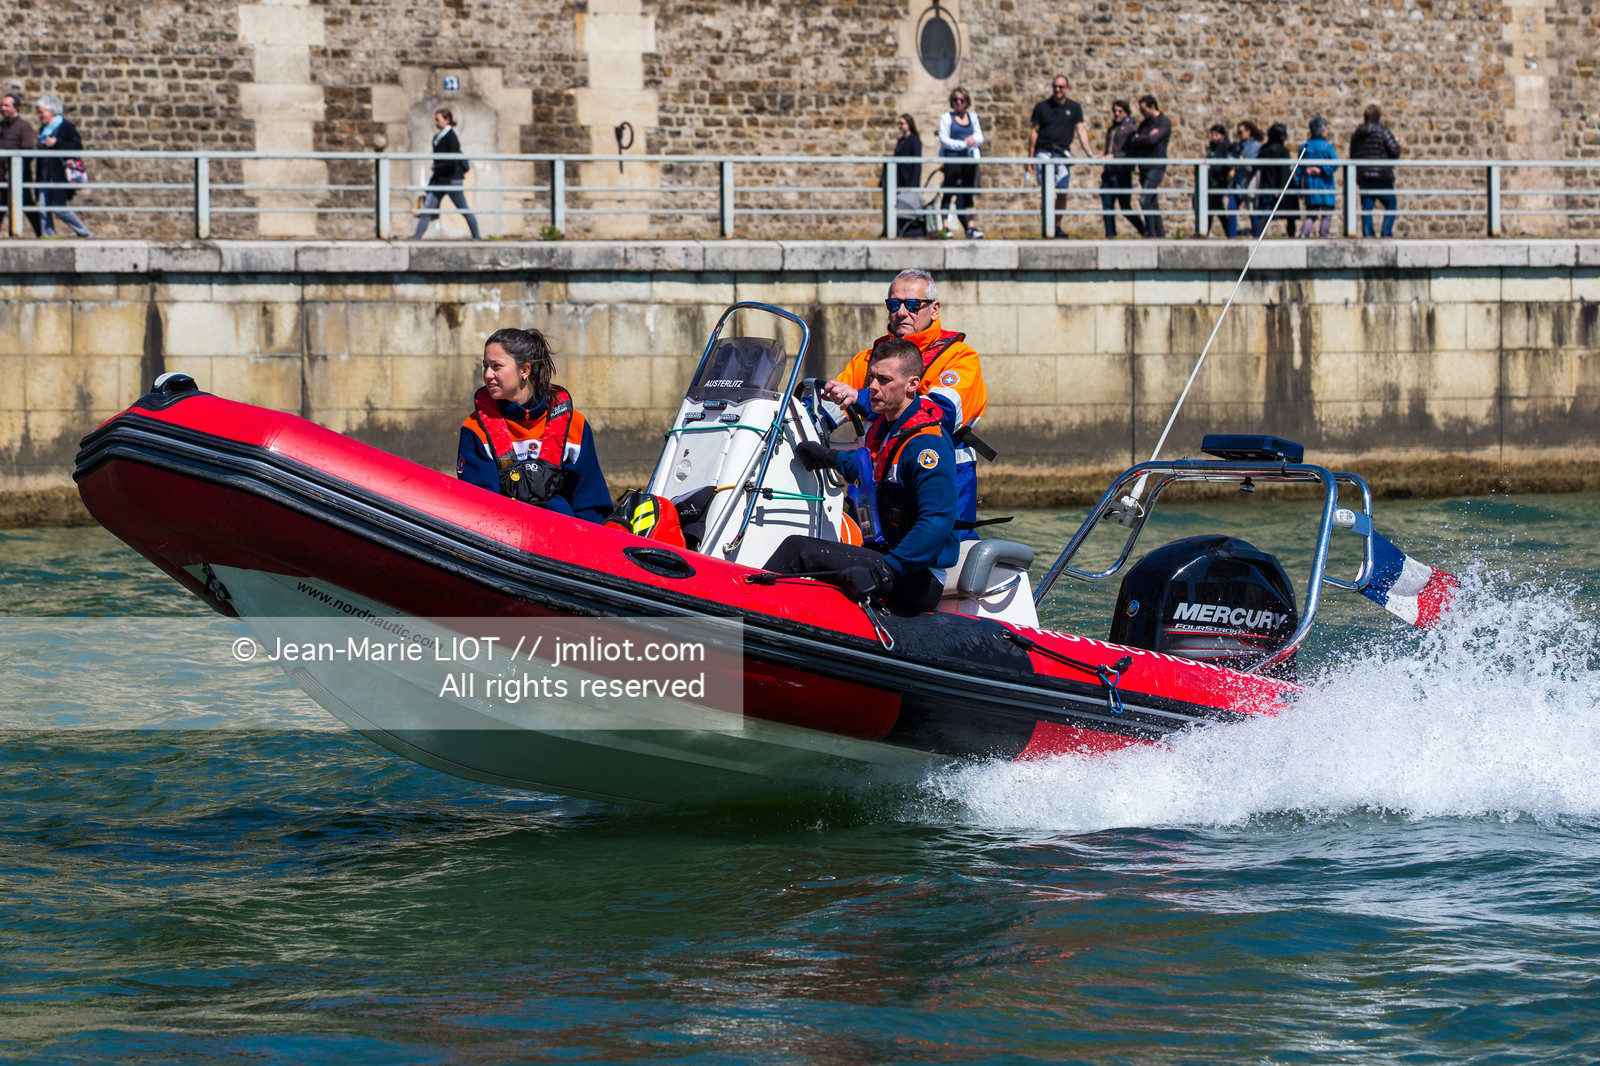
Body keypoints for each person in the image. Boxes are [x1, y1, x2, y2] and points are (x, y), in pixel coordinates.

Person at [773, 337, 960, 614]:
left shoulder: (926, 445)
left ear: (912, 384)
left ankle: (733, 618)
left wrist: (883, 572)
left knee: (798, 549)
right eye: (871, 377)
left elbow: (937, 521)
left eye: (884, 380)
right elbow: (871, 470)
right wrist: (827, 457)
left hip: (917, 575)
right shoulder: (888, 427)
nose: (872, 387)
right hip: (887, 557)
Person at [821, 267, 987, 540]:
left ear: (934, 309)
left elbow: (935, 413)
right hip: (877, 482)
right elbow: (828, 405)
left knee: (939, 545)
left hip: (941, 476)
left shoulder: (960, 358)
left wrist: (860, 397)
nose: (901, 312)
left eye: (912, 304)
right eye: (894, 304)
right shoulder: (868, 358)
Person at [457, 327, 610, 523]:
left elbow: (591, 504)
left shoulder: (574, 426)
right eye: (485, 366)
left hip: (564, 536)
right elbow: (479, 508)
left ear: (525, 370)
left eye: (496, 366)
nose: (487, 375)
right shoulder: (475, 429)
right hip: (505, 538)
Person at [1028, 74, 1093, 238]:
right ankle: (1046, 226)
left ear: (1067, 88)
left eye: (1061, 87)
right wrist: (1030, 157)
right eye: (1055, 86)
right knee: (1046, 192)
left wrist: (1090, 153)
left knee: (1062, 191)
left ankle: (1056, 226)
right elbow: (1034, 131)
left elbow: (1081, 130)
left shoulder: (1074, 108)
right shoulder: (1042, 107)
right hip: (1044, 152)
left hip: (1063, 154)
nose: (1057, 90)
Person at [412, 108, 481, 240]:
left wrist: (436, 166)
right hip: (439, 180)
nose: (435, 122)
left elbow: (452, 160)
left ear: (447, 120)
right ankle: (416, 238)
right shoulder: (438, 137)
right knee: (427, 209)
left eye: (438, 119)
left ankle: (477, 237)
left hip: (451, 180)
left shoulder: (451, 138)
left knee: (464, 209)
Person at [33, 94, 90, 239]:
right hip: (45, 175)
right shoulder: (43, 131)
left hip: (59, 175)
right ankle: (49, 236)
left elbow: (77, 146)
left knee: (59, 209)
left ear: (51, 111)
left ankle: (84, 232)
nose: (39, 115)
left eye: (41, 112)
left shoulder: (66, 127)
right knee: (43, 207)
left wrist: (56, 143)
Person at [937, 87, 984, 240]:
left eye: (962, 100)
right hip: (952, 160)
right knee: (948, 191)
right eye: (956, 100)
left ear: (966, 102)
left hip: (968, 161)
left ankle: (970, 227)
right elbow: (944, 140)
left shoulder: (973, 117)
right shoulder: (946, 118)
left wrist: (974, 141)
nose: (959, 103)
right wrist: (963, 144)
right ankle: (945, 227)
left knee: (968, 194)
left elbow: (979, 137)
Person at [1349, 104, 1401, 238]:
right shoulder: (1382, 131)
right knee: (1391, 203)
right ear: (1378, 117)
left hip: (1364, 176)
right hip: (1382, 175)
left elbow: (1353, 154)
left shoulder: (1357, 134)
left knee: (1367, 207)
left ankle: (1368, 235)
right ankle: (1386, 232)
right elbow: (1395, 151)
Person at [1126, 95, 1171, 238]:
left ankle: (1151, 234)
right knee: (1152, 202)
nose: (1142, 113)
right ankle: (1160, 235)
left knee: (1145, 199)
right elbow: (1134, 140)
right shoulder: (1145, 124)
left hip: (1156, 165)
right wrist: (1143, 138)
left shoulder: (1164, 122)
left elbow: (1153, 140)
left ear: (1152, 107)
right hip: (1143, 166)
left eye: (1144, 110)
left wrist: (1142, 138)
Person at [1098, 100, 1141, 237]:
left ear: (1126, 112)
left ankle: (1144, 230)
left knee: (1125, 207)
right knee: (1107, 206)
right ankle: (1110, 235)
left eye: (1120, 111)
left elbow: (1132, 152)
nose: (1116, 114)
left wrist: (1114, 156)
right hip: (1108, 172)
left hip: (1122, 173)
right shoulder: (1112, 128)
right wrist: (1104, 156)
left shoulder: (1131, 129)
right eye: (1114, 111)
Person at [0, 95, 40, 237]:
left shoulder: (23, 126)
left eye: (6, 105)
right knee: (1, 204)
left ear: (15, 107)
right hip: (1, 176)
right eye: (2, 105)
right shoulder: (2, 126)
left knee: (27, 204)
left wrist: (13, 171)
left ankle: (41, 232)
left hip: (18, 175)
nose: (3, 108)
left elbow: (28, 151)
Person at [1298, 116, 1338, 238]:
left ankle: (1303, 235)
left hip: (1310, 184)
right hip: (1325, 184)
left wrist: (1298, 185)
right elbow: (1335, 164)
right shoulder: (1327, 147)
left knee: (1311, 213)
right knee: (1326, 213)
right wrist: (1323, 170)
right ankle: (1323, 237)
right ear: (1321, 130)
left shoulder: (1304, 146)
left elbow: (1298, 169)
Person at [1256, 123, 1298, 237]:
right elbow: (1284, 172)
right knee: (1290, 215)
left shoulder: (1264, 150)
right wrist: (1281, 188)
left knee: (1264, 215)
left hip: (1267, 186)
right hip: (1279, 188)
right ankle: (1291, 236)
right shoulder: (1282, 151)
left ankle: (1257, 235)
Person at [891, 113, 925, 238]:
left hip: (909, 179)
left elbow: (917, 164)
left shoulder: (914, 141)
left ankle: (909, 231)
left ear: (909, 125)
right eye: (898, 124)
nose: (899, 126)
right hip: (899, 180)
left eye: (902, 123)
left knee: (908, 206)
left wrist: (913, 184)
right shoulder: (901, 141)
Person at [1229, 121, 1263, 238]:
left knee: (1252, 211)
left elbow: (1251, 166)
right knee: (1231, 208)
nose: (1239, 134)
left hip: (1249, 183)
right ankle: (1231, 237)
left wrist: (1240, 163)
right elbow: (1230, 159)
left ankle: (1257, 236)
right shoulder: (1237, 146)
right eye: (1238, 132)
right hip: (1237, 183)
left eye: (1241, 132)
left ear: (1249, 131)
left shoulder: (1255, 147)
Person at [1203, 124, 1234, 237]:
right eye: (1213, 135)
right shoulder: (1212, 146)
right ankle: (1228, 232)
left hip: (1220, 181)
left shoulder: (1225, 146)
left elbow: (1224, 164)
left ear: (1222, 135)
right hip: (1212, 181)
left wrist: (1211, 167)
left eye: (1216, 134)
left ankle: (1205, 231)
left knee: (1212, 206)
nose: (1214, 137)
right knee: (1217, 207)